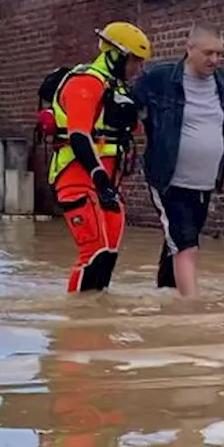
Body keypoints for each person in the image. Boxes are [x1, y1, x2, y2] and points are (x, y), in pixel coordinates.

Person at [133, 24, 224, 298]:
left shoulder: (218, 79)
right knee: (187, 246)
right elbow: (127, 102)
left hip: (203, 185)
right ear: (190, 50)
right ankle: (192, 310)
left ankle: (164, 298)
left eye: (219, 53)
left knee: (177, 243)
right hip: (169, 182)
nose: (214, 60)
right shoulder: (161, 78)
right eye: (208, 53)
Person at [38, 21, 151, 293]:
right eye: (134, 61)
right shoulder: (84, 84)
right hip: (78, 178)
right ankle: (77, 323)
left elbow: (134, 129)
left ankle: (99, 325)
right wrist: (99, 177)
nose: (138, 68)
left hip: (108, 185)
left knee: (107, 255)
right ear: (116, 55)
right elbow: (79, 136)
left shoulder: (118, 90)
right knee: (94, 252)